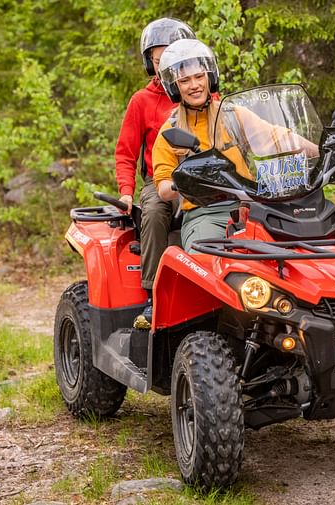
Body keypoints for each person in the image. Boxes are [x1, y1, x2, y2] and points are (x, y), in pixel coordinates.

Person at [152, 40, 318, 253]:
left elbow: (277, 136)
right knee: (204, 262)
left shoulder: (232, 115)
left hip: (251, 209)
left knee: (291, 256)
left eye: (199, 76)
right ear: (174, 87)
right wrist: (185, 182)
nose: (194, 85)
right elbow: (164, 188)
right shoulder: (171, 131)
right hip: (205, 216)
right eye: (185, 80)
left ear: (210, 77)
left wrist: (322, 151)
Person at [115, 18, 196, 329]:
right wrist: (125, 189)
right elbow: (125, 152)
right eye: (158, 60)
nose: (165, 67)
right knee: (153, 210)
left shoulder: (203, 94)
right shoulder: (142, 101)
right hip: (159, 179)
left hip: (204, 175)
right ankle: (152, 295)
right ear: (149, 62)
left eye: (172, 59)